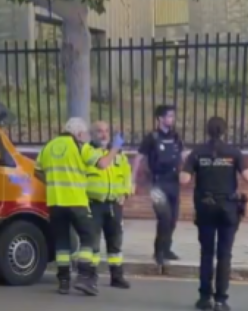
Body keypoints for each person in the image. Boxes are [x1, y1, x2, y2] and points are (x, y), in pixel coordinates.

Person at [36, 117, 123, 296]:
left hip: (55, 203)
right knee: (89, 237)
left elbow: (36, 170)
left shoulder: (49, 147)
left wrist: (53, 183)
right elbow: (103, 164)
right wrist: (115, 148)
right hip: (76, 201)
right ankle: (84, 277)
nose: (84, 138)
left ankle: (64, 282)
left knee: (62, 244)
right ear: (77, 133)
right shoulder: (79, 146)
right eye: (83, 134)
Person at [180, 117, 248, 311]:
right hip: (228, 208)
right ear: (225, 131)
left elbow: (184, 179)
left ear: (207, 131)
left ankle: (205, 298)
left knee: (206, 253)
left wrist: (186, 163)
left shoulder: (197, 153)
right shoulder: (233, 153)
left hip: (205, 207)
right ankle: (221, 299)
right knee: (224, 254)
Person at [86, 121, 132, 289]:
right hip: (94, 204)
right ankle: (90, 277)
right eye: (99, 131)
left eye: (106, 131)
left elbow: (127, 175)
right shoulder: (88, 152)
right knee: (93, 243)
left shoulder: (119, 155)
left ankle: (117, 276)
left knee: (115, 242)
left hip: (114, 204)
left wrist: (125, 193)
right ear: (92, 134)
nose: (104, 134)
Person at [138, 104, 185, 264]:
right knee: (164, 217)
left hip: (173, 182)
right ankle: (158, 251)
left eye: (173, 116)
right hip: (158, 184)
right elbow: (139, 158)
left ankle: (167, 249)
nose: (172, 119)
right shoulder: (152, 137)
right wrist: (133, 179)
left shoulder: (176, 136)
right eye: (169, 116)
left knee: (173, 218)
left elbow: (182, 156)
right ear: (160, 118)